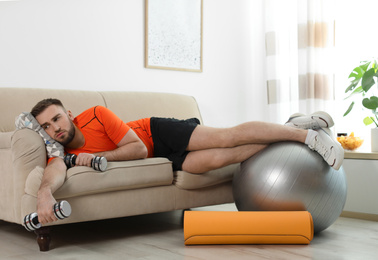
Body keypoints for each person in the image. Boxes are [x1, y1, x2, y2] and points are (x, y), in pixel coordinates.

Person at [30, 98, 344, 225]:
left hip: (156, 133)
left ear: (68, 115)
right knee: (219, 158)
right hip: (163, 157)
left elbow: (138, 150)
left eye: (57, 119)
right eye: (46, 126)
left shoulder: (97, 114)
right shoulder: (55, 149)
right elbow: (54, 172)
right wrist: (45, 193)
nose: (55, 128)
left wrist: (94, 156)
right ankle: (292, 126)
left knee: (226, 137)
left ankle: (307, 137)